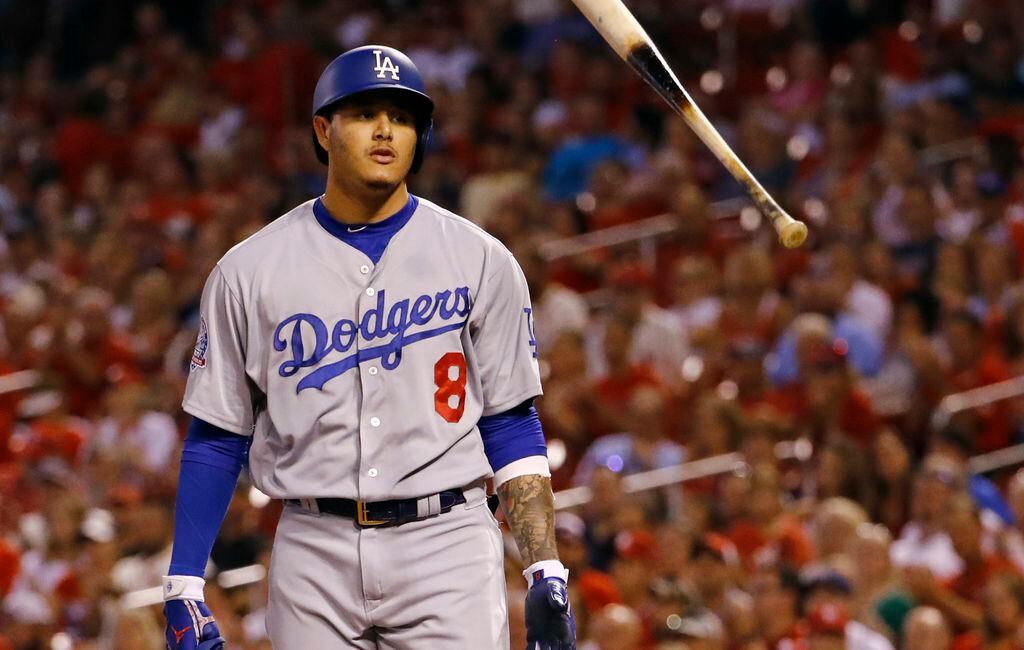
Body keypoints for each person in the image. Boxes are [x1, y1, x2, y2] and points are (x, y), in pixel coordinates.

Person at [160, 45, 575, 649]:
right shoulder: (247, 271)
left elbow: (511, 421)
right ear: (323, 130)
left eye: (403, 117)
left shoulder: (482, 259)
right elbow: (219, 434)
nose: (386, 130)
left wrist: (544, 567)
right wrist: (184, 583)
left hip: (447, 544)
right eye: (364, 113)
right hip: (312, 545)